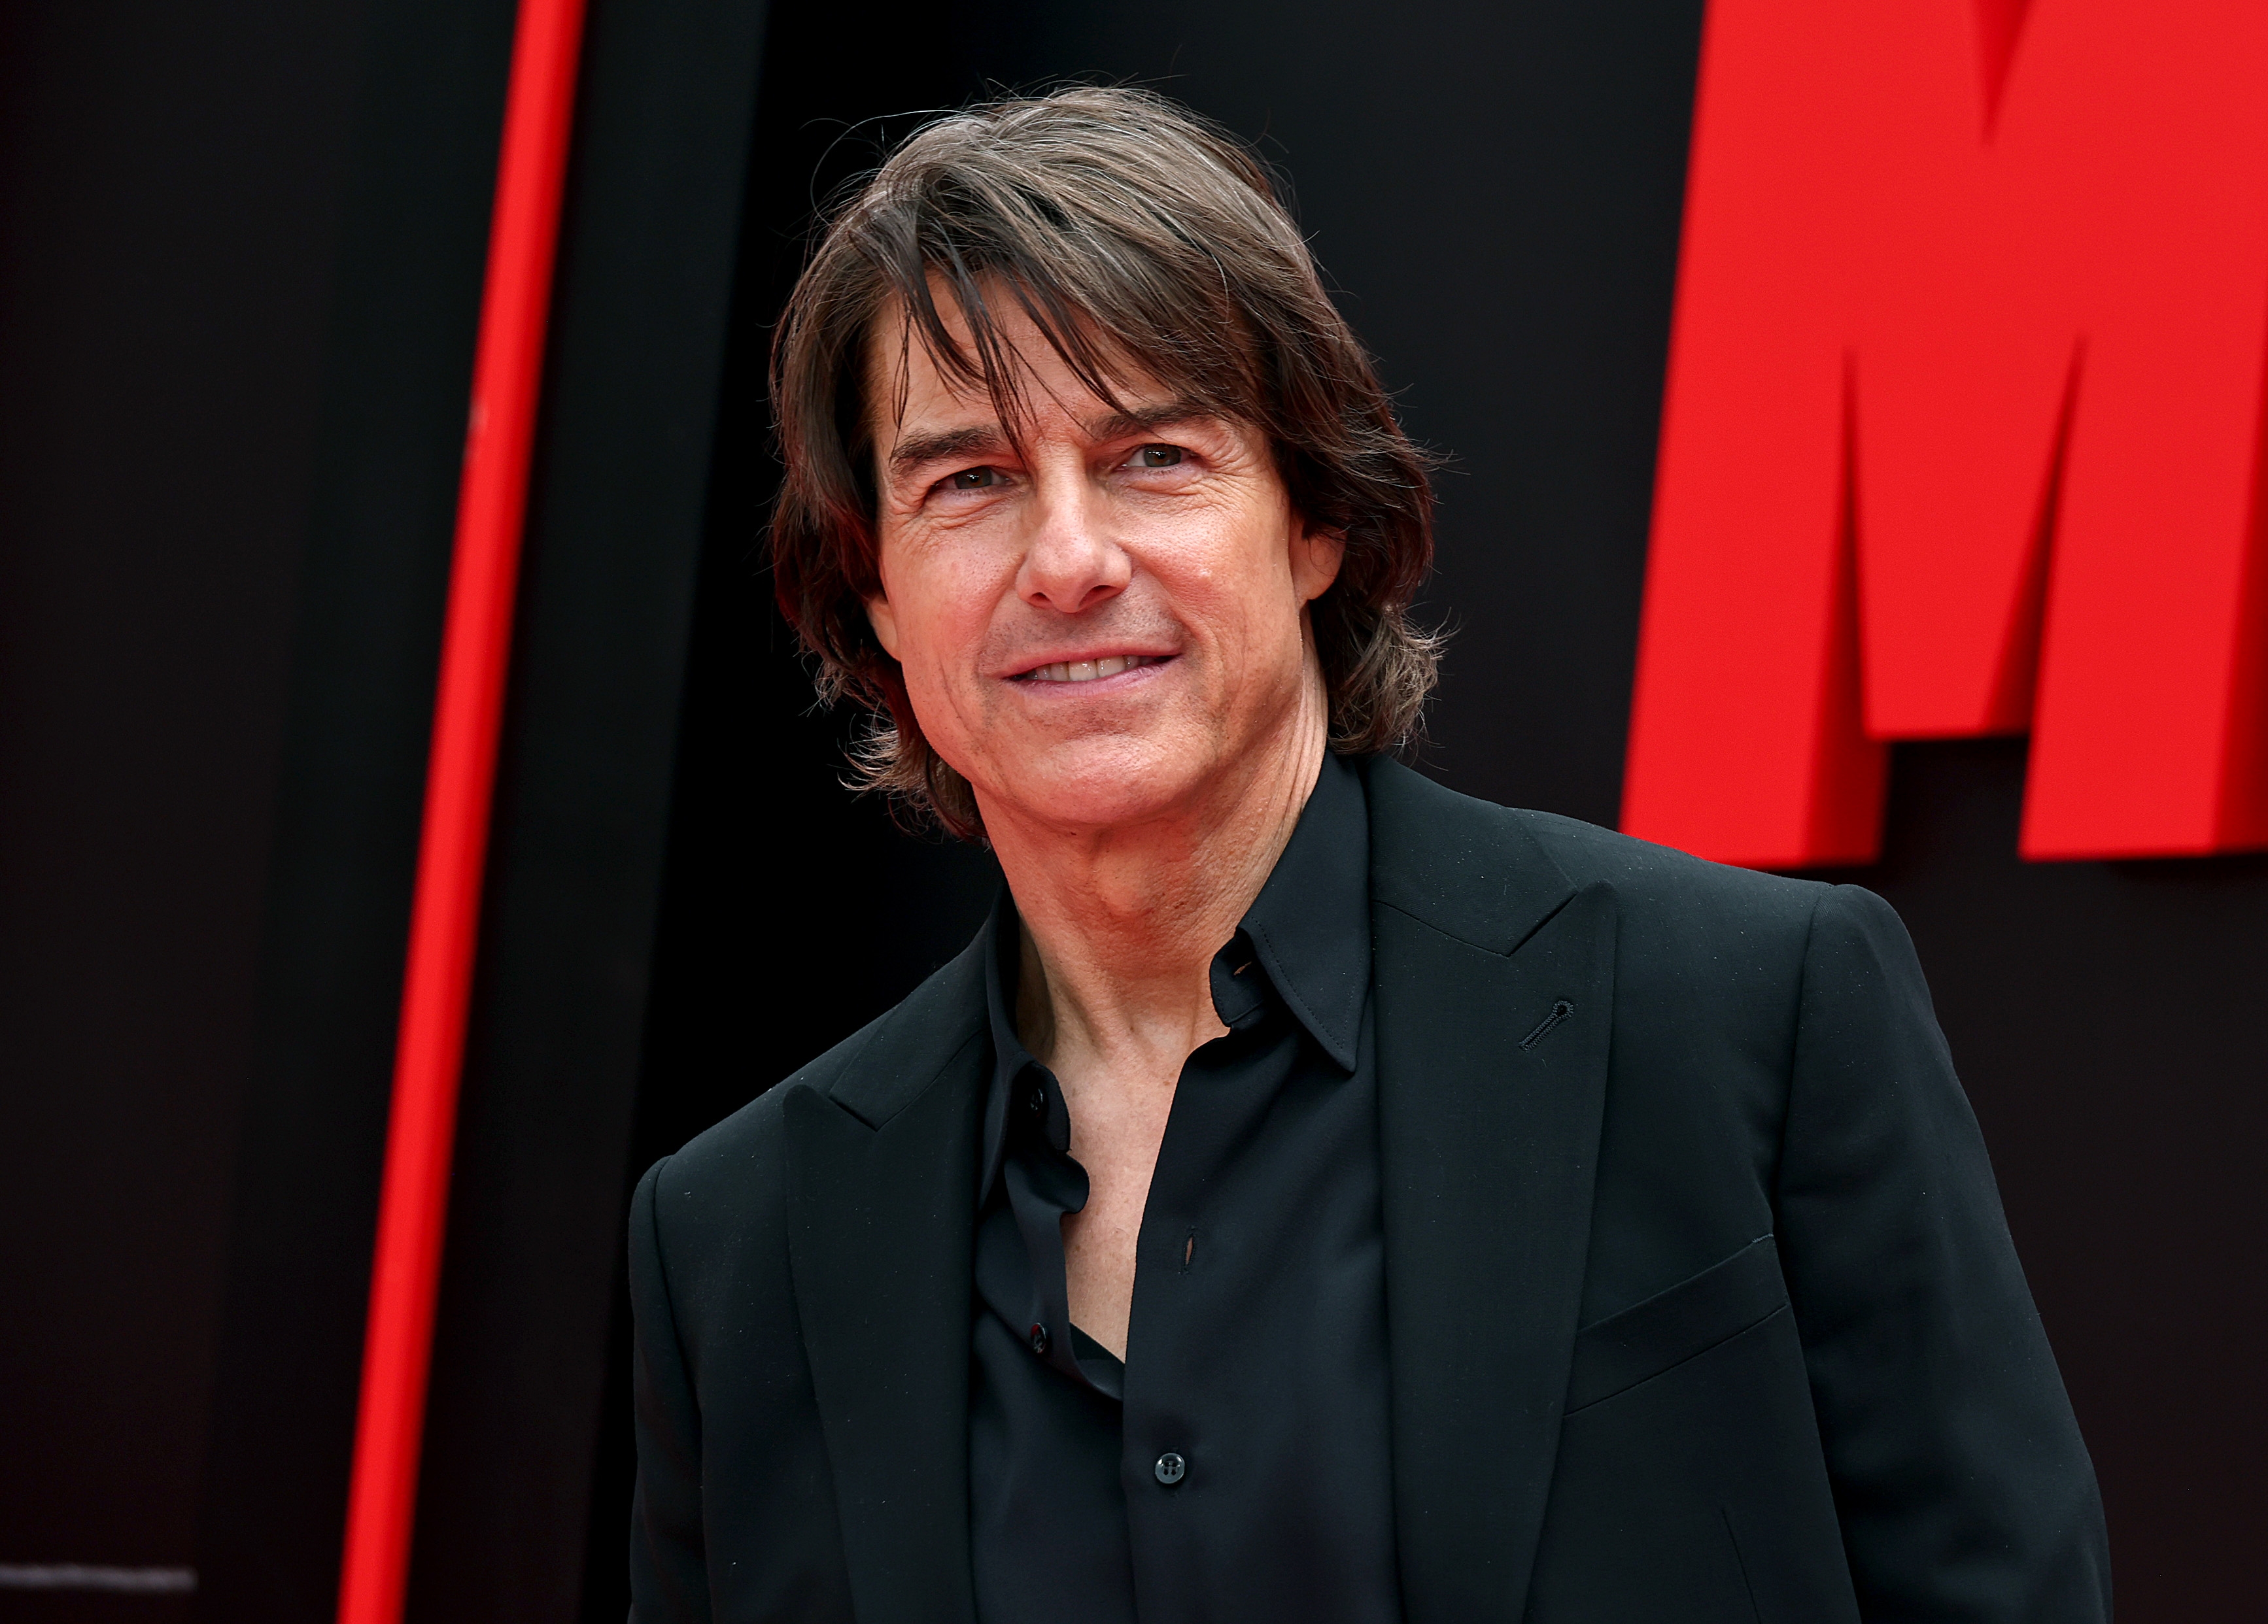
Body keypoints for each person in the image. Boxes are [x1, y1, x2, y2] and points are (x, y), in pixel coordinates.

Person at [625, 86, 2109, 1623]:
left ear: (1314, 521)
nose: (1067, 561)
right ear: (873, 587)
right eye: (970, 482)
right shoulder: (737, 1248)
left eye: (1153, 456)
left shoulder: (1741, 1021)